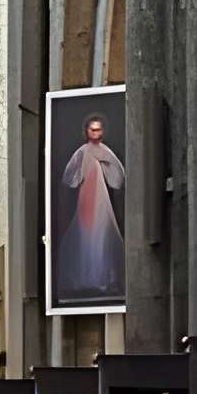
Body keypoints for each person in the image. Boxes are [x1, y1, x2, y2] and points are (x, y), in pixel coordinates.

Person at [58, 114, 124, 299]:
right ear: (86, 131)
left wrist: (104, 164)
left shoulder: (106, 152)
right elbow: (70, 177)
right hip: (86, 199)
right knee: (85, 237)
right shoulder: (82, 152)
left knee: (102, 238)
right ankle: (85, 280)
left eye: (98, 129)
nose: (95, 132)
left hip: (101, 201)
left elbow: (118, 177)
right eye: (92, 129)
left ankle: (101, 280)